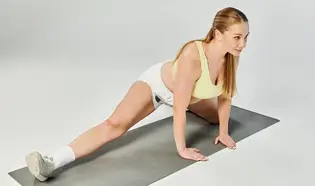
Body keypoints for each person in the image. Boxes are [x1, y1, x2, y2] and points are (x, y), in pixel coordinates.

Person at [24, 7, 250, 182]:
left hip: (187, 95)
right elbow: (179, 110)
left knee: (217, 117)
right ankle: (51, 161)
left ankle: (195, 107)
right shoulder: (193, 55)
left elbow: (225, 96)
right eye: (237, 37)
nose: (243, 44)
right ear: (218, 34)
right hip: (158, 86)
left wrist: (223, 132)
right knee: (115, 127)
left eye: (246, 37)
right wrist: (182, 149)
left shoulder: (231, 55)